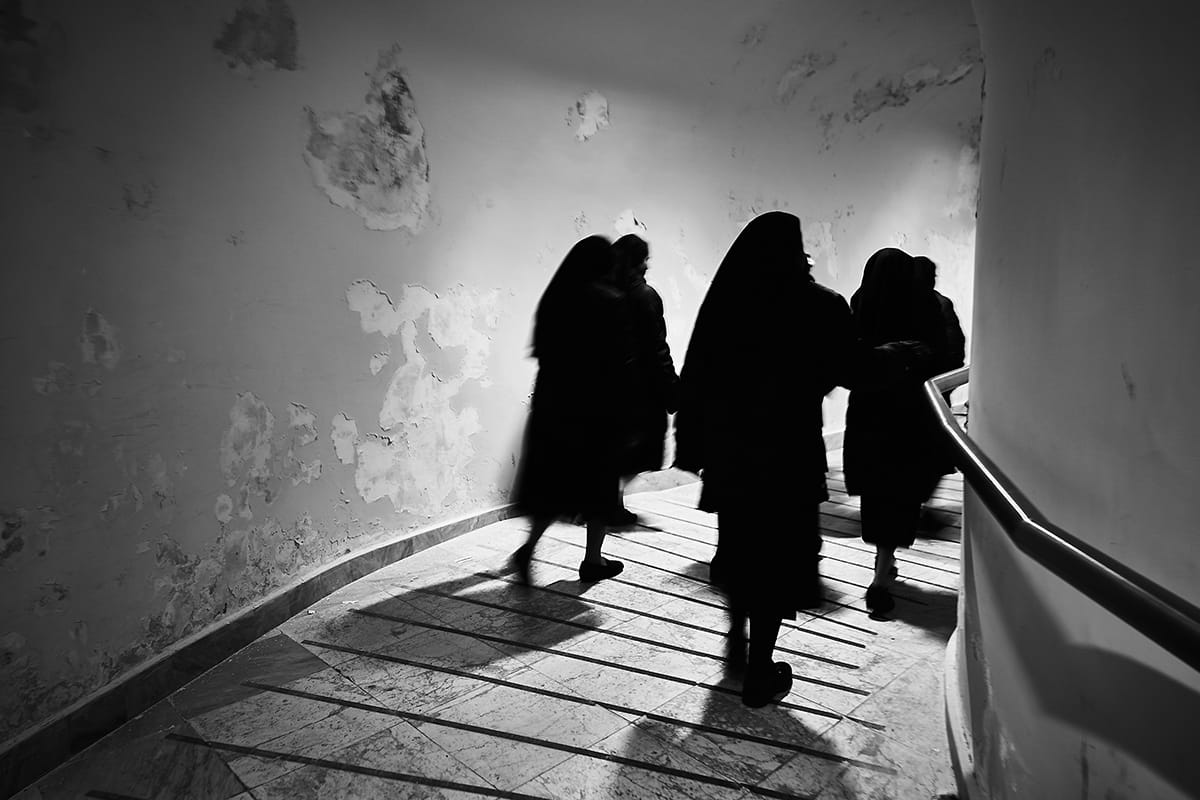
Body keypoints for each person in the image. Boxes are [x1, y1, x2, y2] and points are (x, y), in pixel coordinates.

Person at [674, 211, 920, 707]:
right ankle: (760, 669)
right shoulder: (817, 305)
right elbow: (854, 368)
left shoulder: (727, 302)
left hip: (734, 455)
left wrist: (694, 446)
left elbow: (697, 375)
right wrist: (902, 353)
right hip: (787, 455)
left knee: (740, 548)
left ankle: (737, 646)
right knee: (779, 559)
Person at [509, 236, 635, 586]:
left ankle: (528, 548)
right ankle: (592, 560)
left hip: (554, 409)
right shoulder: (610, 301)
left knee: (554, 485)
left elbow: (541, 355)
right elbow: (619, 364)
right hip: (596, 413)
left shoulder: (554, 300)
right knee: (599, 489)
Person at [844, 248, 954, 615]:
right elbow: (945, 358)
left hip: (870, 417)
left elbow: (851, 361)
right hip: (910, 418)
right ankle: (881, 569)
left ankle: (882, 564)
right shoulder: (924, 305)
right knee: (901, 495)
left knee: (877, 498)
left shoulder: (861, 302)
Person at [610, 233, 679, 525]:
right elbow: (657, 346)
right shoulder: (645, 296)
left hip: (611, 386)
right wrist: (671, 386)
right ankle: (608, 504)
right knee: (637, 451)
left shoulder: (607, 293)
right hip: (641, 389)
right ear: (639, 262)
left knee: (616, 451)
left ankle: (609, 504)